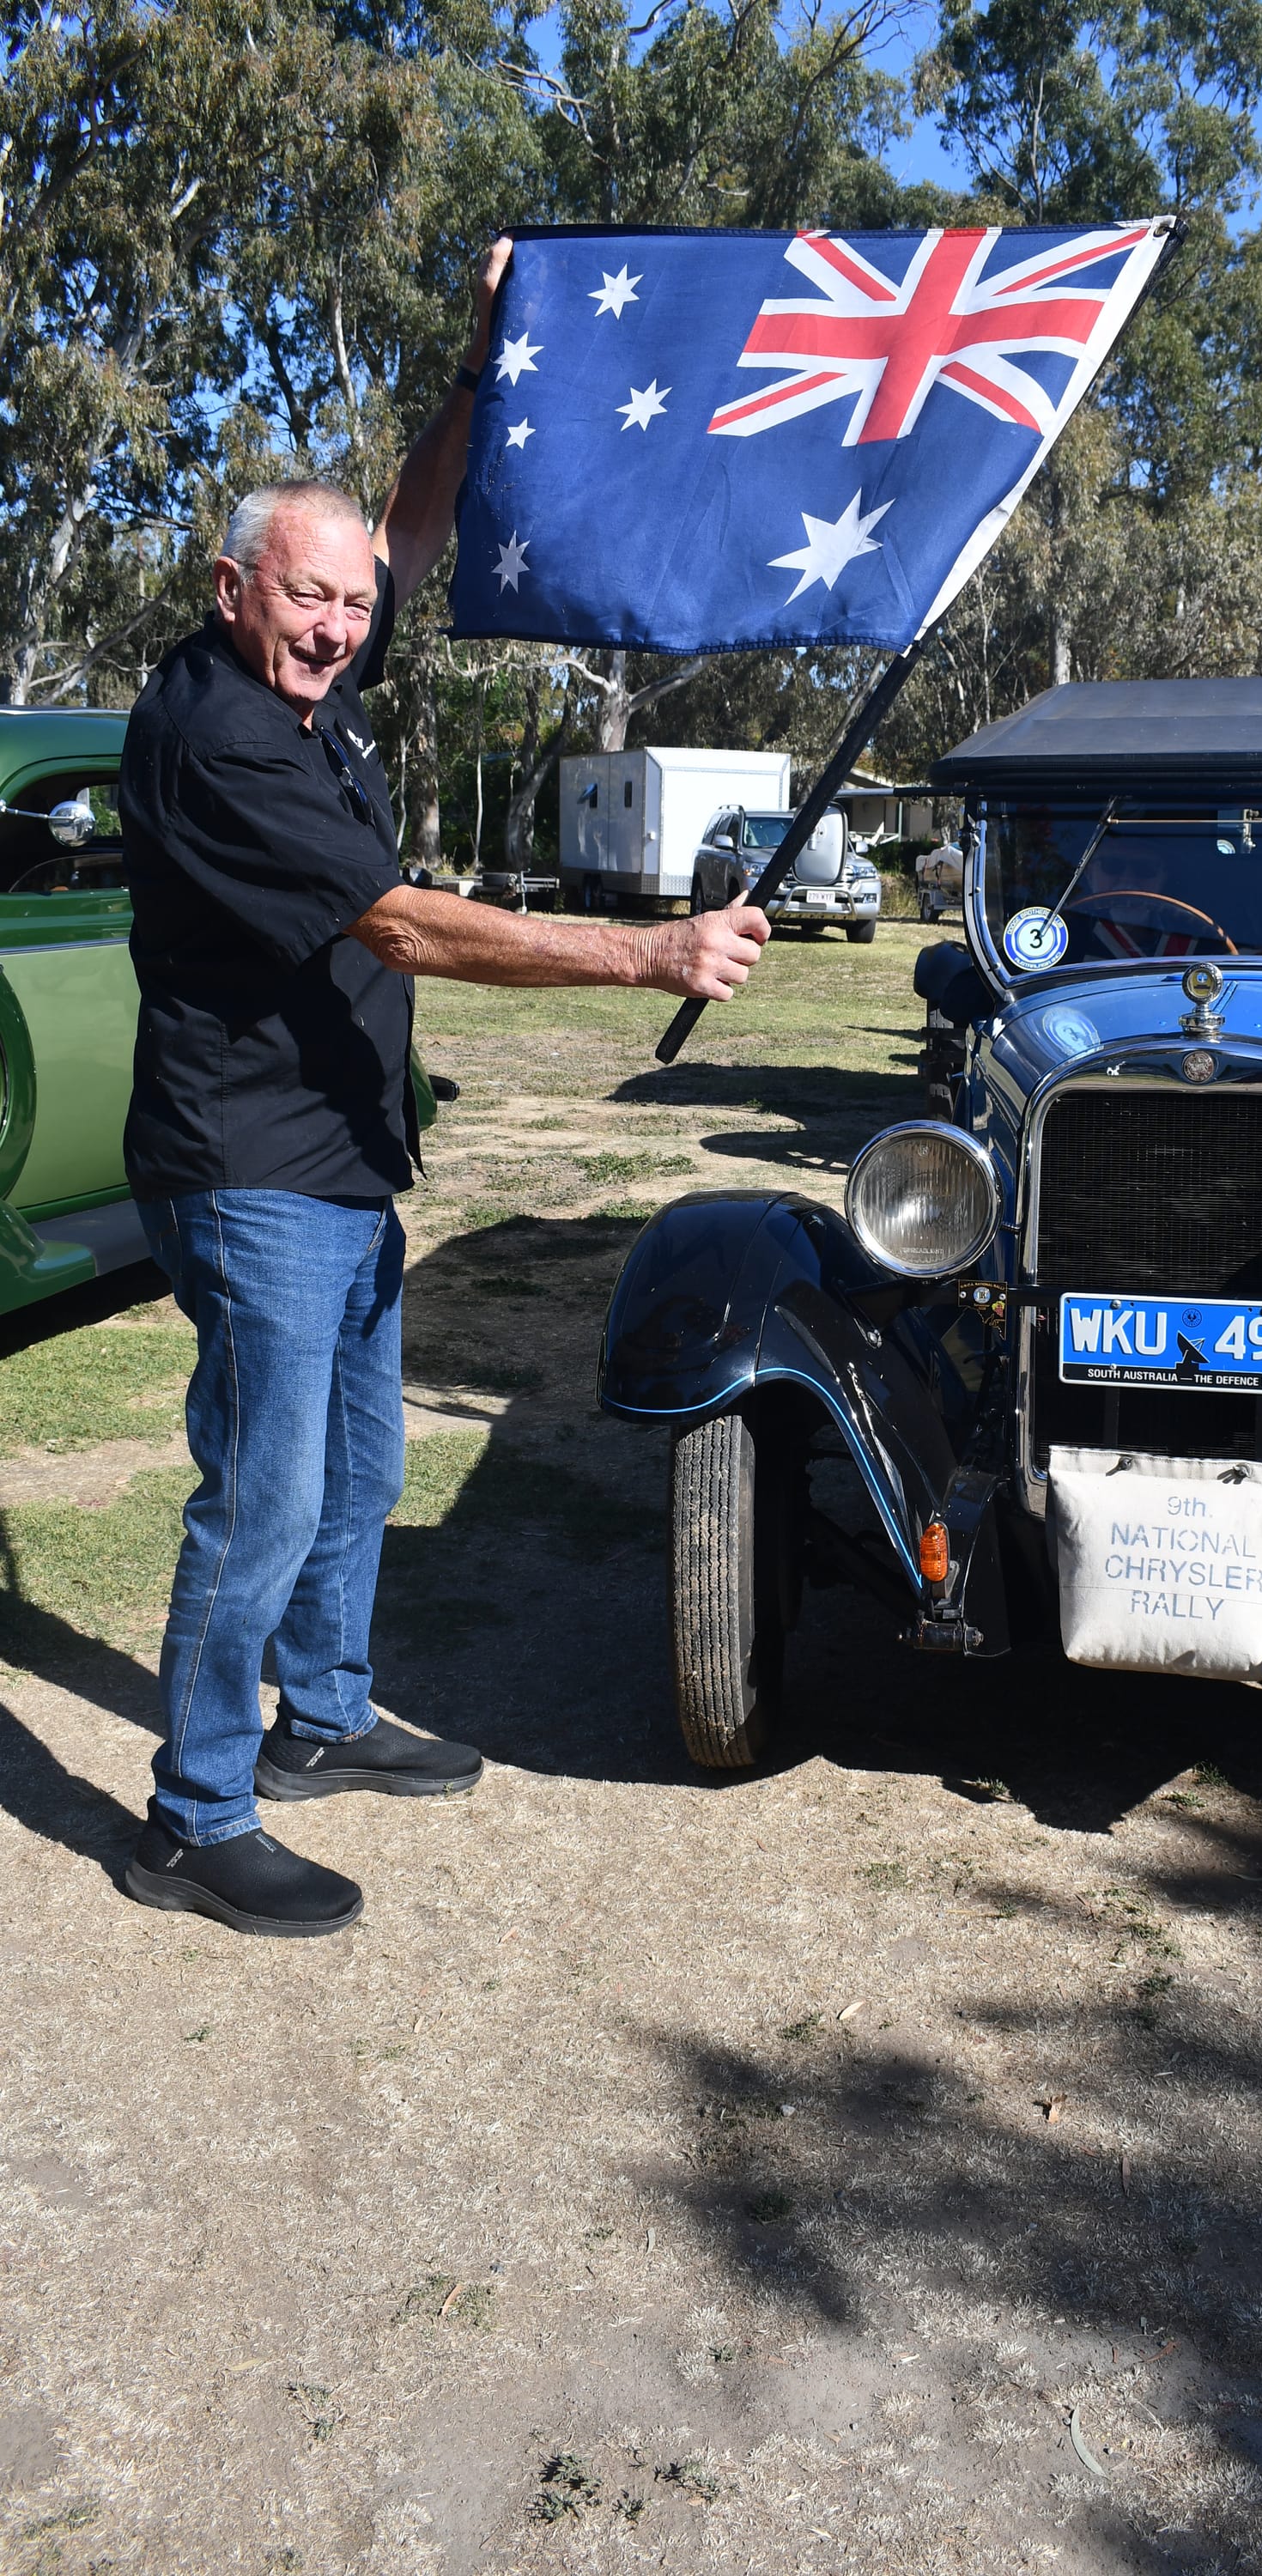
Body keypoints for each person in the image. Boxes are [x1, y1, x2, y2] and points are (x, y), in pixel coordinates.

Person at [118, 236, 769, 1941]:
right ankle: (194, 1814)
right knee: (260, 1489)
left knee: (355, 1469)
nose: (339, 623)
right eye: (304, 597)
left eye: (347, 605)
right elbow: (402, 926)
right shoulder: (225, 739)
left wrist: (488, 363)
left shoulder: (317, 662)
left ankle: (323, 1717)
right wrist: (643, 956)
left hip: (338, 1152)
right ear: (228, 588)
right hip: (247, 1162)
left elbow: (408, 529)